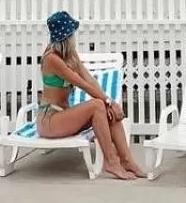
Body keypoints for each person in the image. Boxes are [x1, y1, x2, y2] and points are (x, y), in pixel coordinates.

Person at [38, 11, 144, 181]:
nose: (74, 37)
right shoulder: (52, 59)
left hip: (63, 115)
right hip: (49, 120)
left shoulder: (70, 55)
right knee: (98, 105)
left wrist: (109, 103)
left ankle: (127, 160)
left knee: (107, 110)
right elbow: (83, 84)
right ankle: (111, 162)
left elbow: (90, 80)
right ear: (67, 36)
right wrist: (107, 100)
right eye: (72, 33)